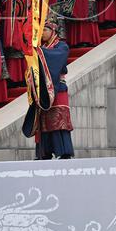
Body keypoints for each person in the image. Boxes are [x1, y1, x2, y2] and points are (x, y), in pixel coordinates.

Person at [22, 16, 74, 160]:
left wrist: (38, 52)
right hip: (43, 89)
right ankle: (44, 153)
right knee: (43, 121)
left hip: (58, 88)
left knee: (58, 119)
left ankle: (63, 152)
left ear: (53, 31)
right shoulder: (42, 49)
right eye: (41, 30)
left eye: (45, 30)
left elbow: (55, 59)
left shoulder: (62, 47)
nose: (42, 33)